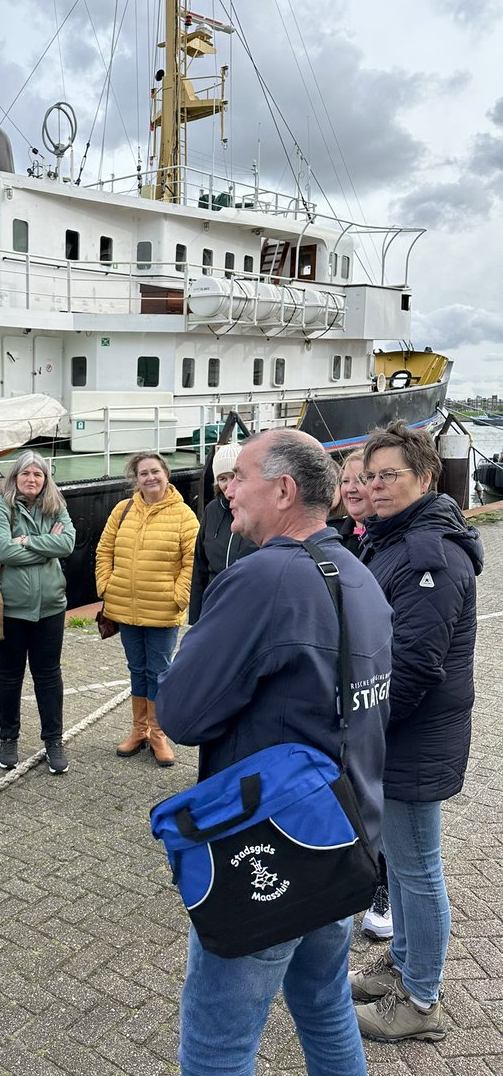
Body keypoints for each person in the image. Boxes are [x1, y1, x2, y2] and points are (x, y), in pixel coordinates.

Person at [157, 430, 393, 1076]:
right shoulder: (360, 575)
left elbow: (179, 712)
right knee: (323, 1004)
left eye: (241, 476)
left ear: (284, 490)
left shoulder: (262, 578)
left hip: (268, 854)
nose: (227, 488)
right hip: (343, 843)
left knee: (217, 1043)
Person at [350, 421, 482, 1044]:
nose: (375, 488)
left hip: (412, 734)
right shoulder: (395, 539)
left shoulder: (429, 553)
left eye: (389, 477)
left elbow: (414, 667)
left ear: (425, 478)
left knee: (418, 866)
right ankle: (403, 964)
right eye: (370, 477)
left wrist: (363, 731)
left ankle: (420, 1000)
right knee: (400, 865)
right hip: (399, 733)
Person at [95, 451, 198, 766]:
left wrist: (178, 596)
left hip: (163, 611)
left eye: (155, 471)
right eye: (143, 473)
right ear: (135, 479)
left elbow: (192, 562)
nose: (150, 478)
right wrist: (106, 587)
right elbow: (104, 549)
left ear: (166, 473)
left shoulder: (184, 515)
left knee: (160, 672)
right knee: (137, 670)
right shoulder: (122, 510)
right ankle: (139, 730)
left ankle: (158, 734)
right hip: (125, 608)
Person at [0, 451, 75, 774]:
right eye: (26, 474)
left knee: (49, 676)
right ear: (15, 478)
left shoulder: (56, 506)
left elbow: (67, 544)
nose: (32, 479)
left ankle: (53, 740)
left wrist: (25, 542)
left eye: (38, 474)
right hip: (9, 608)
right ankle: (9, 738)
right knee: (9, 676)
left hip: (50, 608)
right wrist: (43, 545)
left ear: (45, 479)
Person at [335, 449, 393, 941]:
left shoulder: (383, 544)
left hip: (376, 693)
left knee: (379, 796)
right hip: (350, 689)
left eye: (364, 479)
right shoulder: (350, 540)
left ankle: (384, 889)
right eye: (348, 480)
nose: (354, 488)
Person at [188, 442, 257, 625]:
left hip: (250, 609)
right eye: (222, 478)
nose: (228, 485)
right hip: (214, 608)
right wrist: (195, 620)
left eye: (234, 476)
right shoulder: (212, 511)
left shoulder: (259, 512)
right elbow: (200, 566)